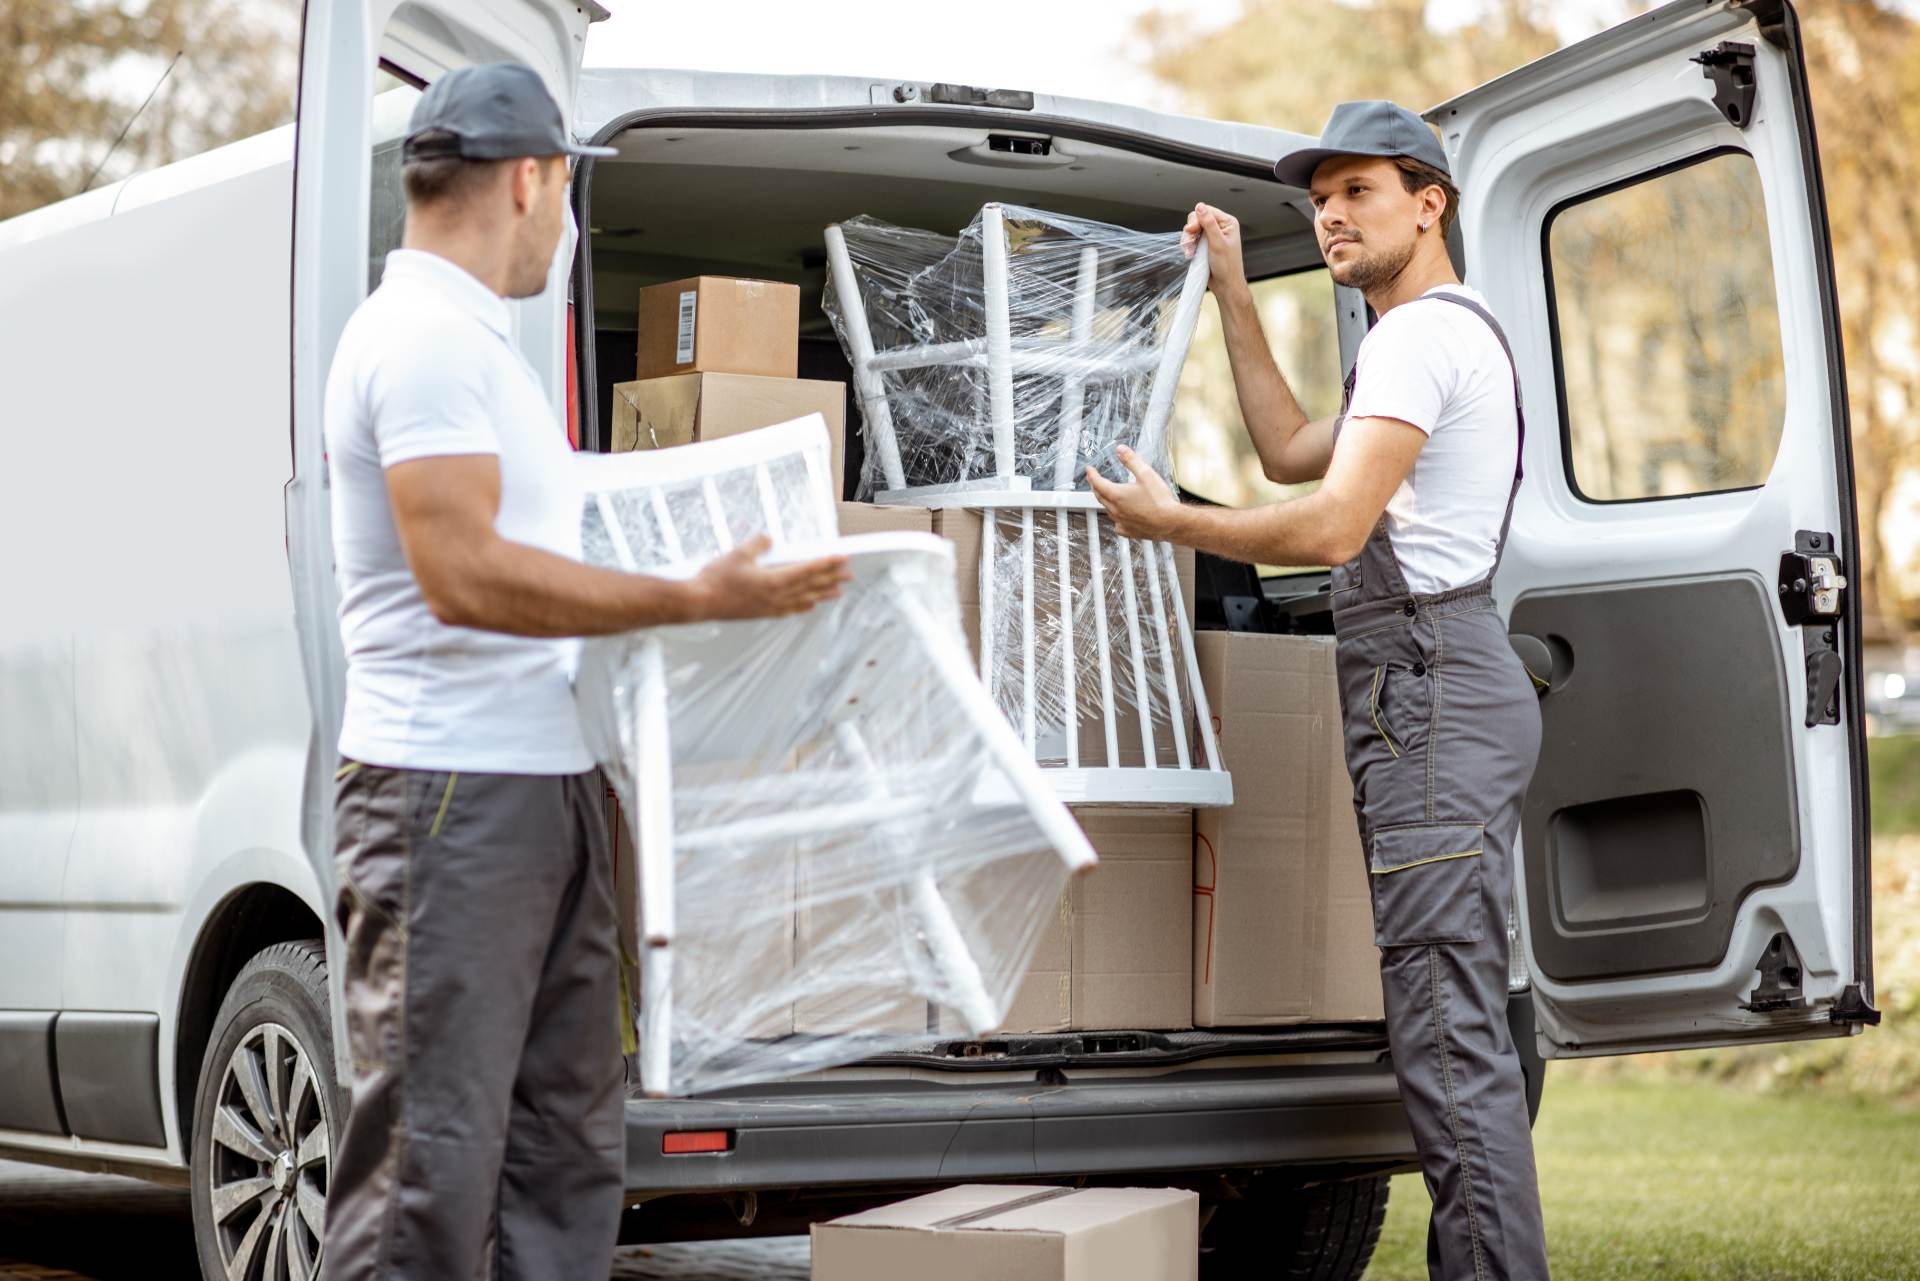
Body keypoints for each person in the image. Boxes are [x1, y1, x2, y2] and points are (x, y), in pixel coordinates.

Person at [319, 62, 848, 1281]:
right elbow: (464, 572)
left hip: (542, 785)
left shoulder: (478, 349)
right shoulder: (419, 342)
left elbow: (540, 553)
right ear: (529, 180)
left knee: (562, 1148)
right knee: (428, 1169)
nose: (561, 225)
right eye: (565, 193)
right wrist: (692, 600)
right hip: (448, 798)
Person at [1087, 99, 1549, 1281]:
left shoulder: (1416, 337)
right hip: (1442, 681)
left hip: (1430, 685)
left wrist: (1167, 523)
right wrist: (1237, 286)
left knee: (1447, 1039)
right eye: (1319, 200)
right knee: (1450, 1027)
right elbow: (1293, 451)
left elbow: (1335, 523)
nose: (1332, 216)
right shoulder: (1439, 334)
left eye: (1358, 193)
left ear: (1428, 202)